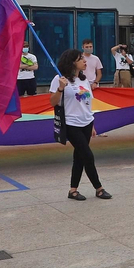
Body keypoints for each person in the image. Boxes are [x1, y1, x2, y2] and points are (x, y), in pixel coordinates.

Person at [51, 47, 112, 200]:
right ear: (72, 63)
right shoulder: (59, 79)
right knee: (87, 156)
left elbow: (87, 104)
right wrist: (60, 88)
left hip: (86, 122)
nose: (85, 61)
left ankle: (73, 190)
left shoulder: (84, 79)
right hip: (72, 124)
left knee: (79, 157)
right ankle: (99, 188)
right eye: (80, 59)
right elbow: (53, 102)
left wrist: (92, 124)